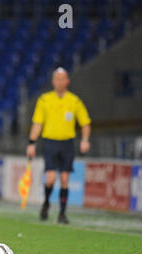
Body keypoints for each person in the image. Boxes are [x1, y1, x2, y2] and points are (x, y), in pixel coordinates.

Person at [26, 67, 91, 224]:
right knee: (50, 178)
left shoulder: (74, 101)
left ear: (67, 81)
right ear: (53, 81)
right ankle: (46, 203)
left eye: (62, 79)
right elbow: (37, 123)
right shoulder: (44, 100)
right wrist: (32, 143)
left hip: (67, 144)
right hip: (50, 143)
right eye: (57, 78)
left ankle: (62, 213)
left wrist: (85, 140)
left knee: (65, 178)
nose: (60, 81)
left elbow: (85, 123)